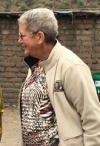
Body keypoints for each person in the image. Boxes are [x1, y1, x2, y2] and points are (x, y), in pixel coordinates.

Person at [17, 8, 100, 146]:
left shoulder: (72, 67)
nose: (19, 41)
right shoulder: (35, 65)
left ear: (39, 37)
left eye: (21, 36)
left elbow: (93, 120)